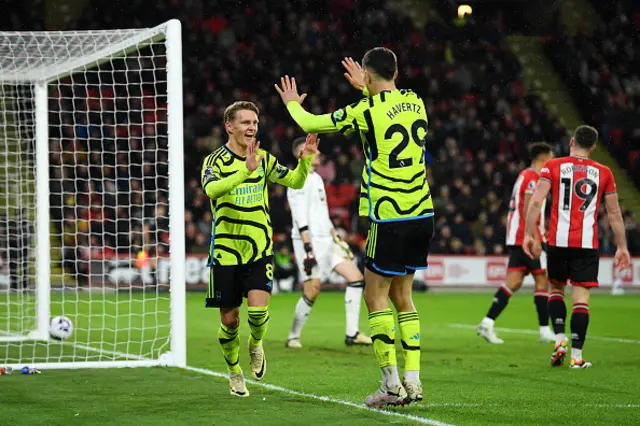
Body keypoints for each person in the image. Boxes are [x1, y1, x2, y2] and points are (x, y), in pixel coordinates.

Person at [275, 48, 433, 407]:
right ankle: (414, 378)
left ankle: (390, 386)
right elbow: (389, 107)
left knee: (374, 297)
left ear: (366, 73)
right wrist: (367, 88)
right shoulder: (416, 100)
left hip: (389, 215)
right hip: (422, 212)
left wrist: (290, 104)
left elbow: (312, 124)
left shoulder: (365, 110)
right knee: (402, 298)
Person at [201, 101, 318, 397]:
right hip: (225, 252)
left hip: (259, 249)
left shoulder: (264, 158)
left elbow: (294, 180)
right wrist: (244, 171)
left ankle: (255, 345)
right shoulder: (213, 161)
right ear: (229, 126)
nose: (252, 127)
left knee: (256, 314)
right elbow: (212, 190)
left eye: (255, 122)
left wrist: (304, 160)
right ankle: (234, 372)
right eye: (245, 122)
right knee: (230, 321)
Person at [523, 125, 631, 369]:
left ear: (572, 142)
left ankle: (559, 340)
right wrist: (621, 246)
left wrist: (530, 235)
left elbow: (537, 201)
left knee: (556, 289)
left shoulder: (553, 166)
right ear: (593, 147)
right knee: (581, 299)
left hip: (558, 241)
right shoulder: (604, 172)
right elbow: (613, 213)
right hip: (586, 244)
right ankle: (577, 355)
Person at [286, 136, 372, 349]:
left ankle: (352, 333)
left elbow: (320, 211)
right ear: (301, 154)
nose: (318, 153)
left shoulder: (315, 177)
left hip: (327, 239)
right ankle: (293, 336)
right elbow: (299, 215)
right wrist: (307, 244)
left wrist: (335, 235)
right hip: (310, 240)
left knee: (356, 279)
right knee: (312, 291)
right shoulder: (296, 178)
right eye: (312, 150)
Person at [477, 143, 556, 344]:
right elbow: (530, 206)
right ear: (543, 158)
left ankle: (487, 323)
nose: (552, 161)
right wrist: (535, 237)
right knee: (542, 280)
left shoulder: (524, 175)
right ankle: (545, 330)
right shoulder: (533, 177)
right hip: (527, 237)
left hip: (516, 237)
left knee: (514, 282)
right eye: (550, 157)